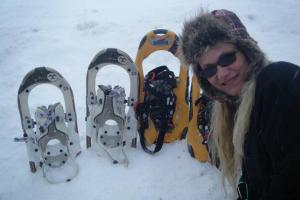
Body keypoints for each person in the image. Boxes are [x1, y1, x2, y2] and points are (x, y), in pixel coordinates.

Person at [179, 9, 300, 199]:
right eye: (209, 70)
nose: (222, 74)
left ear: (246, 51)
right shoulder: (235, 108)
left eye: (227, 58)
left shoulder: (277, 83)